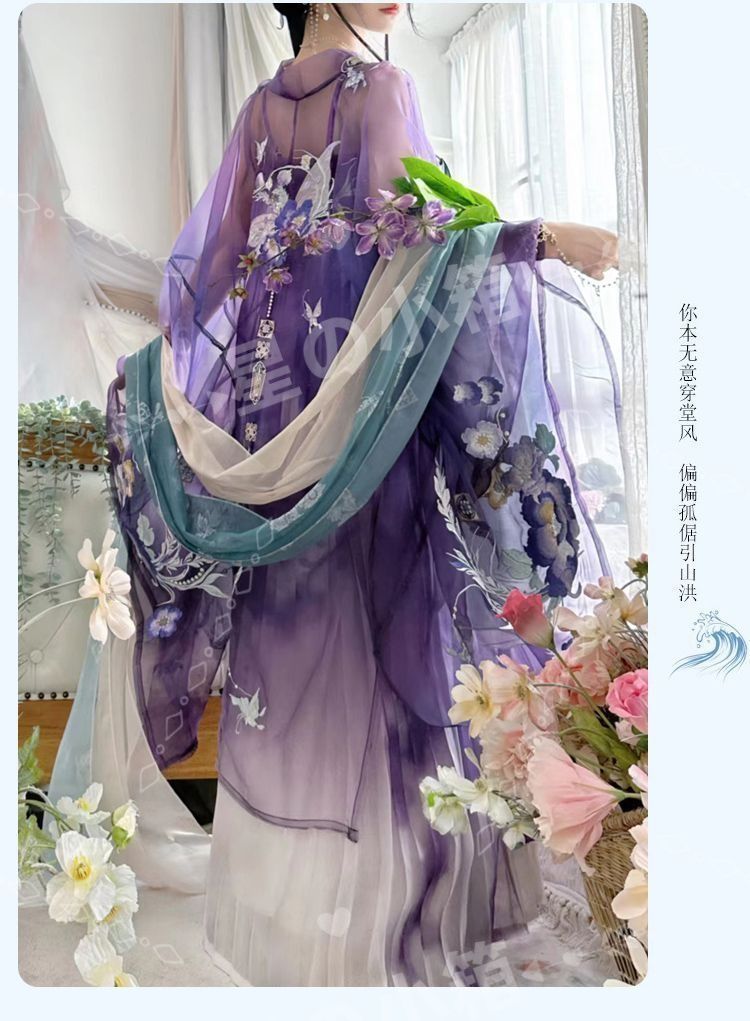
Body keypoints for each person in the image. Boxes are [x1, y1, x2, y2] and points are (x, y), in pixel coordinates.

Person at [67, 2, 623, 986]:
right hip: (369, 420)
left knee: (299, 656)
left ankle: (299, 920)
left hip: (280, 421)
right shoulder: (382, 88)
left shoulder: (258, 112)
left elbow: (211, 279)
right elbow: (421, 252)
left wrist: (208, 386)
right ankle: (396, 921)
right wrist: (537, 237)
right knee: (396, 642)